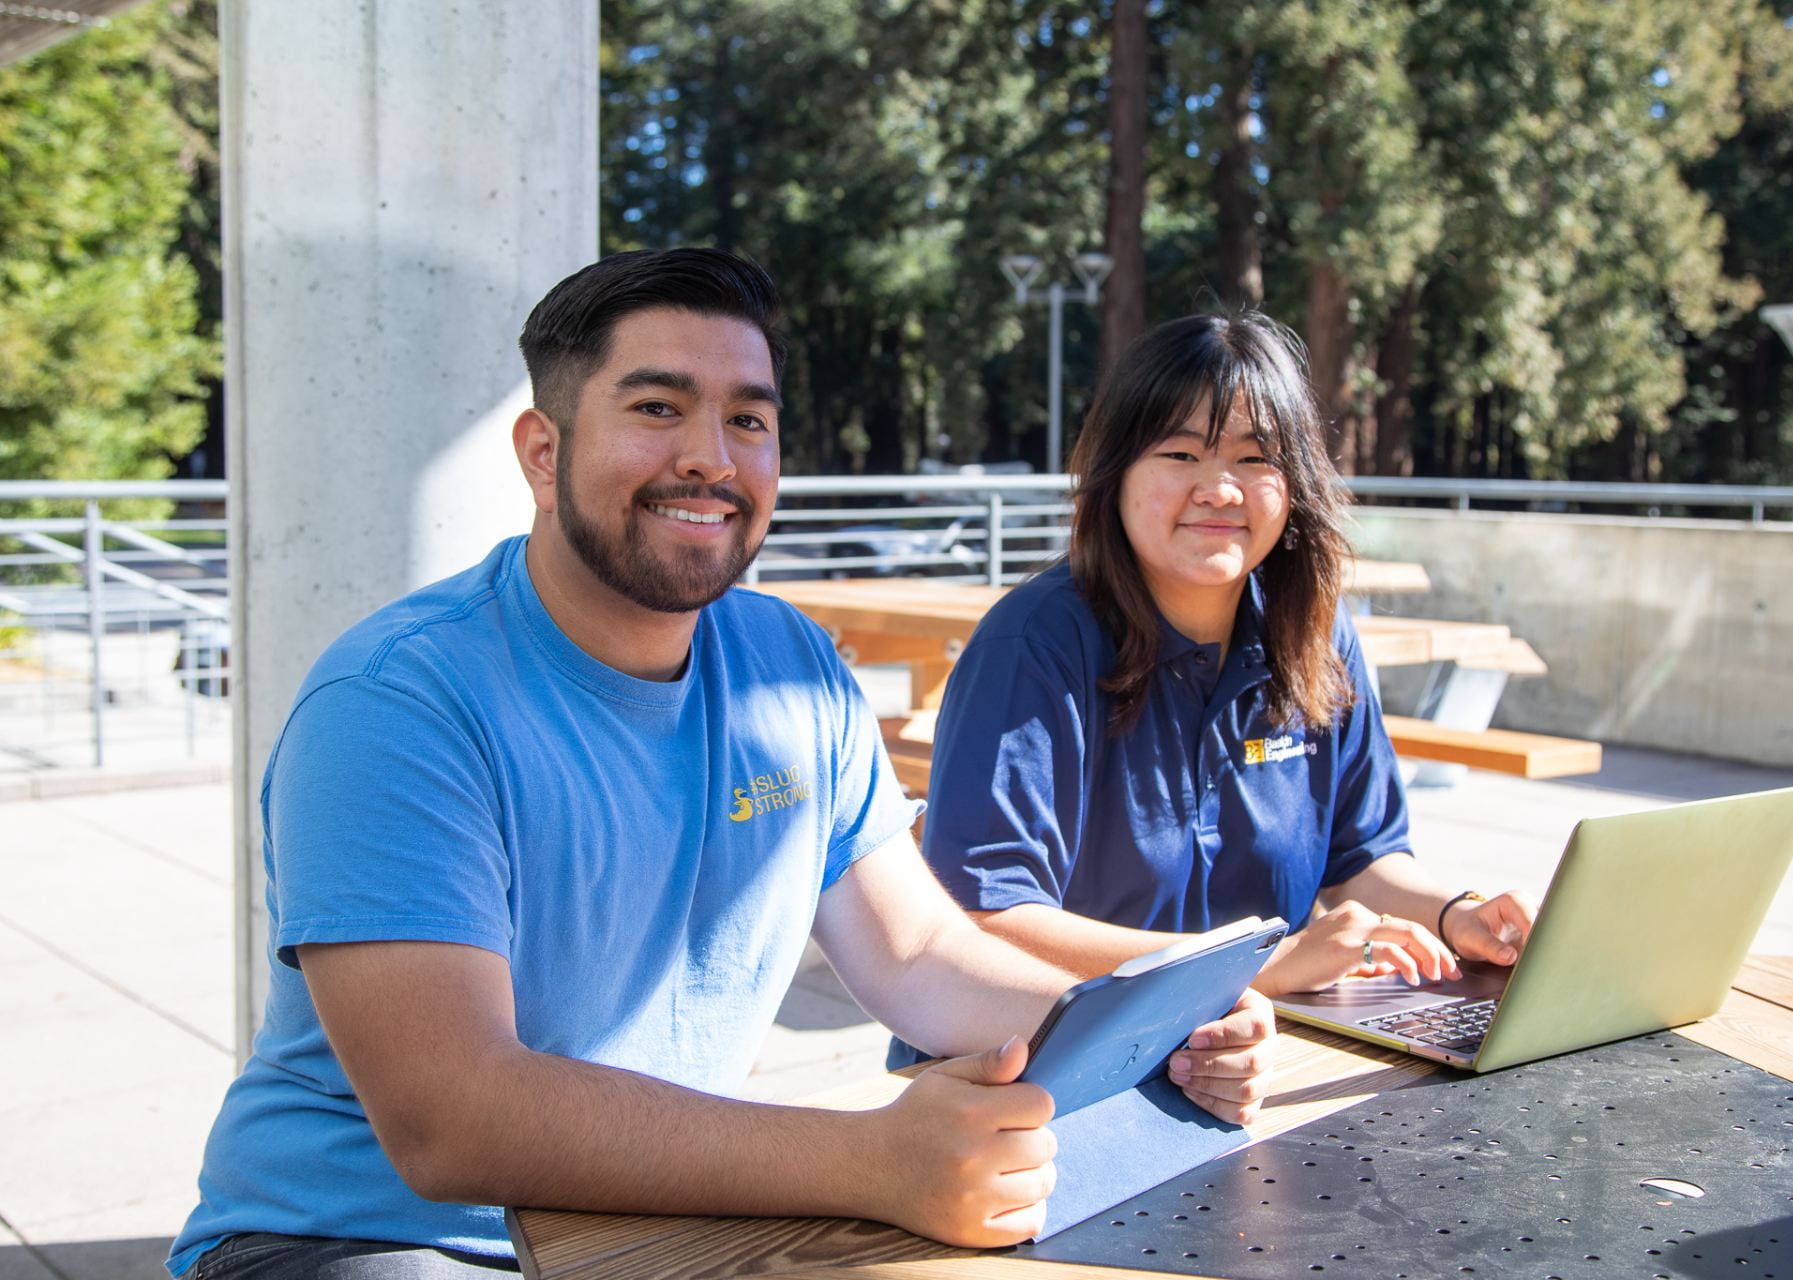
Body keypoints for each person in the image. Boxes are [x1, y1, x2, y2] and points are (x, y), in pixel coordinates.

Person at [168, 251, 1289, 1280]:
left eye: (748, 418)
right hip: (360, 1237)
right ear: (542, 450)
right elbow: (455, 1117)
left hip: (649, 1215)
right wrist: (873, 1158)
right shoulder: (397, 702)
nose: (710, 455)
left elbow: (919, 950)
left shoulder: (789, 664)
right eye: (657, 407)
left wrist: (1157, 1024)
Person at [912, 310, 1537, 1019]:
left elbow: (1361, 857)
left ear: (1295, 480)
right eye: (1180, 455)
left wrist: (1457, 915)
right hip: (1044, 1062)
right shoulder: (1031, 648)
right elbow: (985, 918)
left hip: (1249, 1045)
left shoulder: (1317, 631)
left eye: (1254, 457)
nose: (1220, 489)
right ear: (1113, 474)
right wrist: (1252, 970)